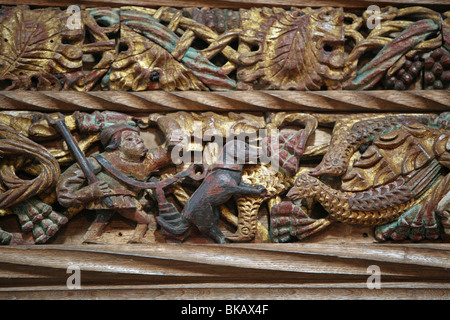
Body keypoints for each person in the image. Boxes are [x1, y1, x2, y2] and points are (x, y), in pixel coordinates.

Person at [57, 123, 178, 242]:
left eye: (139, 138)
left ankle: (91, 236)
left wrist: (171, 130)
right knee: (144, 219)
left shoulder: (149, 160)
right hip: (115, 198)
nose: (139, 141)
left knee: (103, 216)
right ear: (117, 145)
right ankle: (136, 238)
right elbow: (65, 193)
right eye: (129, 139)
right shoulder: (99, 161)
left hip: (122, 199)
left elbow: (173, 150)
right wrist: (90, 192)